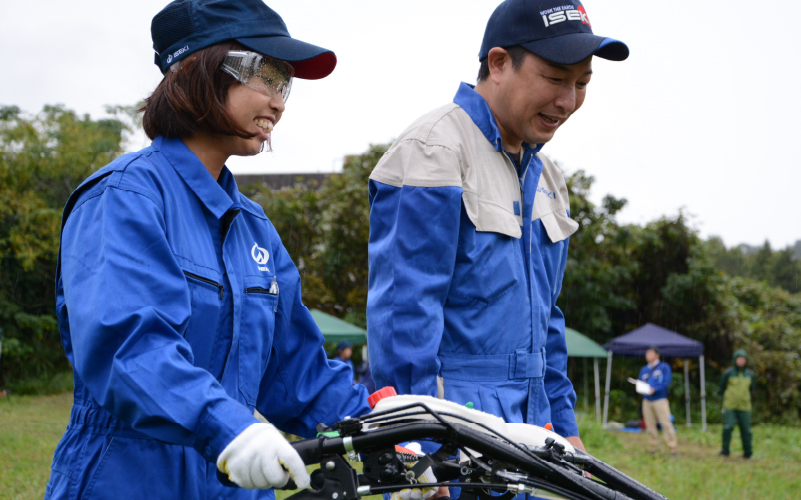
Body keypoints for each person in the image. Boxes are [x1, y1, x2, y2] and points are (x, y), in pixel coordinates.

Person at [44, 1, 370, 498]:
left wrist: (386, 431)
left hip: (234, 480)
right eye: (266, 75)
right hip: (130, 477)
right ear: (197, 69)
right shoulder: (124, 198)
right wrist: (229, 429)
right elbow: (128, 347)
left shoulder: (256, 229)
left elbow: (297, 374)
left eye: (286, 85)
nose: (279, 103)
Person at [367, 0, 628, 464]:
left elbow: (547, 320)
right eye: (555, 79)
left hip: (531, 431)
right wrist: (419, 451)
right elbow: (404, 317)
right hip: (454, 431)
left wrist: (564, 429)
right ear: (499, 63)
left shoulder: (548, 178)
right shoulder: (433, 151)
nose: (568, 101)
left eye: (582, 83)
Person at [639, 346, 678, 455]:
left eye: (650, 354)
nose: (647, 356)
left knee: (666, 423)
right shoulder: (644, 369)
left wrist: (654, 389)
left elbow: (666, 382)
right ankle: (652, 447)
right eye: (646, 354)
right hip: (646, 400)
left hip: (660, 399)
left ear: (657, 355)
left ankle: (672, 448)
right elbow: (641, 382)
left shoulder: (664, 367)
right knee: (650, 424)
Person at [719, 349, 755, 459]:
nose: (741, 361)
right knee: (728, 427)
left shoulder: (750, 374)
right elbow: (722, 388)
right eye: (739, 359)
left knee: (746, 430)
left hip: (744, 407)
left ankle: (747, 453)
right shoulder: (728, 373)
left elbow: (752, 389)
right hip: (730, 405)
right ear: (735, 360)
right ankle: (725, 451)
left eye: (743, 359)